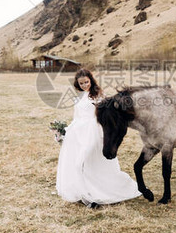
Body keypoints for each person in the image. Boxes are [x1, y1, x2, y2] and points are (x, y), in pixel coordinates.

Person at [56, 68, 141, 207]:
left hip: (94, 132)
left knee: (89, 161)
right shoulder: (80, 97)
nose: (84, 85)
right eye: (81, 83)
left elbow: (105, 117)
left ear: (91, 80)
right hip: (79, 133)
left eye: (86, 82)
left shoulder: (99, 95)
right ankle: (86, 193)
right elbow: (76, 118)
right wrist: (64, 131)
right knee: (80, 164)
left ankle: (97, 193)